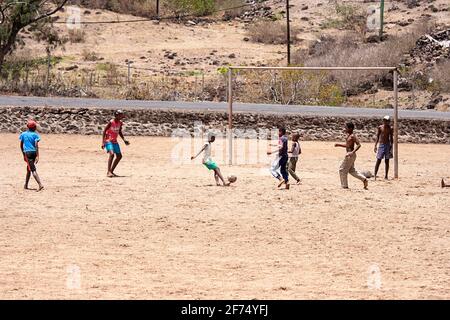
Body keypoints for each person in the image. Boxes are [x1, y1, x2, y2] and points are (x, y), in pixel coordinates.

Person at [335, 122, 368, 190]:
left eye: (346, 127)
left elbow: (359, 145)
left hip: (350, 155)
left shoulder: (353, 136)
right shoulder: (348, 136)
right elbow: (347, 145)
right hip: (349, 154)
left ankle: (344, 186)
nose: (345, 129)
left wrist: (352, 152)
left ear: (350, 128)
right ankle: (364, 179)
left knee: (342, 169)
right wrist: (339, 145)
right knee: (351, 170)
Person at [102, 110, 130, 177]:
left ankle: (111, 171)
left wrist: (124, 140)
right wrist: (103, 142)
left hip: (114, 141)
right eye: (120, 115)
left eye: (121, 115)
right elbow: (104, 130)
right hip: (108, 140)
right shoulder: (111, 122)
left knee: (119, 156)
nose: (121, 116)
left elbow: (119, 131)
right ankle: (108, 172)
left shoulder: (120, 123)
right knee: (112, 154)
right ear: (116, 115)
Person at [19, 120, 44, 192]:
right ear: (35, 127)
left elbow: (21, 145)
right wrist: (37, 155)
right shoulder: (35, 135)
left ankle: (40, 184)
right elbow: (36, 145)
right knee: (28, 169)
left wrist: (23, 154)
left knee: (33, 169)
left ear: (27, 127)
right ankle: (26, 184)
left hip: (27, 153)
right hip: (34, 152)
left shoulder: (23, 134)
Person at [374, 115, 394, 180]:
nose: (386, 122)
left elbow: (391, 137)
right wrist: (375, 145)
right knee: (378, 160)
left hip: (387, 145)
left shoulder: (390, 128)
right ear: (383, 121)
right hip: (381, 145)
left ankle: (386, 175)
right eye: (385, 120)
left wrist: (391, 146)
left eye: (387, 121)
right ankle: (375, 174)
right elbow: (377, 136)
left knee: (387, 160)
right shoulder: (380, 127)